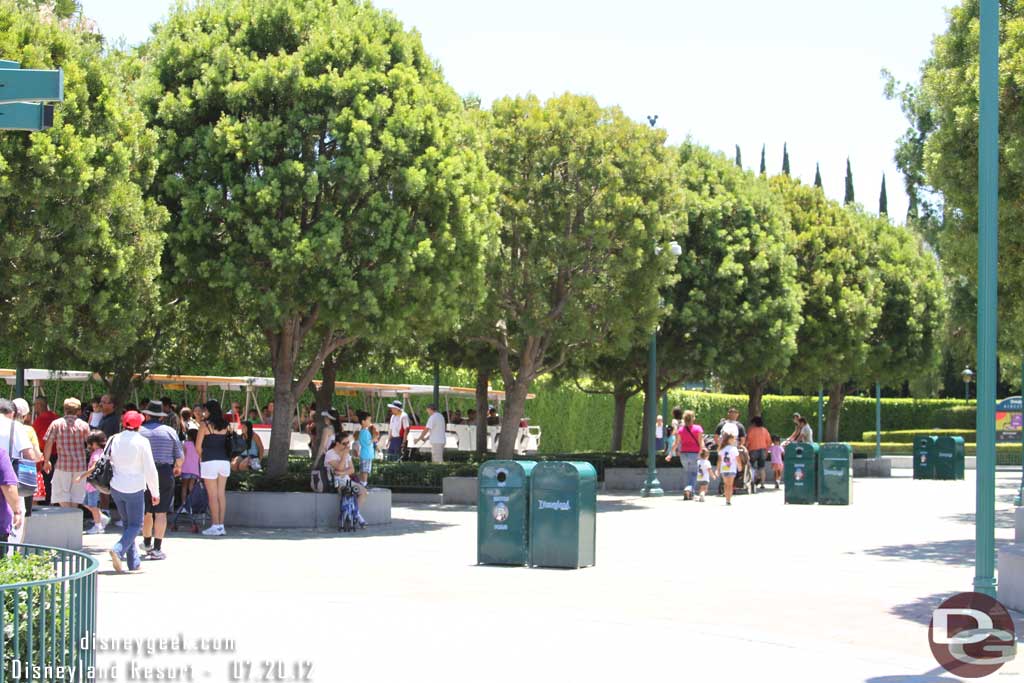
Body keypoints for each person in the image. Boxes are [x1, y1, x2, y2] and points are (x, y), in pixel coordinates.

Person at [107, 411, 159, 572]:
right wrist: (155, 491)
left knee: (128, 525)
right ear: (139, 425)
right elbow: (150, 468)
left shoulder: (113, 439)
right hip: (135, 487)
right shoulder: (142, 442)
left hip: (116, 486)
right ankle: (118, 549)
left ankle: (133, 562)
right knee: (136, 525)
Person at [138, 401, 183, 560]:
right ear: (161, 417)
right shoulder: (170, 431)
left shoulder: (140, 431)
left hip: (144, 472)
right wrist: (177, 467)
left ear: (147, 415)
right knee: (161, 511)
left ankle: (147, 543)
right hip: (164, 471)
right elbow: (179, 457)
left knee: (147, 510)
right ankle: (157, 548)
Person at [43, 398, 91, 510]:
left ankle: (68, 514)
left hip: (63, 465)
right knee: (77, 496)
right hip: (80, 465)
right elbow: (89, 444)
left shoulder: (56, 424)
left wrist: (46, 461)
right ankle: (73, 518)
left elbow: (49, 443)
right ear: (79, 411)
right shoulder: (84, 425)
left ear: (64, 410)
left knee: (60, 493)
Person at [196, 399, 231, 536]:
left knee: (212, 495)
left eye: (205, 410)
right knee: (221, 494)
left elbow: (198, 447)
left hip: (209, 461)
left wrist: (201, 457)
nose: (204, 413)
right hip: (224, 461)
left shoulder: (204, 425)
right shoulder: (226, 425)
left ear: (209, 411)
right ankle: (221, 526)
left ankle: (215, 525)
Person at [0, 399, 32, 544]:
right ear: (12, 413)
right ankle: (14, 555)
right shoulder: (16, 427)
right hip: (11, 476)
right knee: (16, 515)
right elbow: (29, 454)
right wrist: (17, 511)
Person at [324, 434, 367, 525]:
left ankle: (356, 513)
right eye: (344, 443)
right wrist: (344, 456)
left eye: (348, 443)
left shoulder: (346, 453)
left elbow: (352, 470)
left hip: (347, 480)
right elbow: (339, 467)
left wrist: (343, 473)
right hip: (335, 482)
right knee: (347, 491)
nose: (347, 445)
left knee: (363, 491)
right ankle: (354, 515)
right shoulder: (330, 454)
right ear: (337, 443)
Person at [11, 398, 43, 518]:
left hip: (6, 471)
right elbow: (35, 455)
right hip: (24, 474)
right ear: (25, 415)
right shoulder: (28, 430)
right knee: (23, 512)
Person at [76, 430, 111, 534]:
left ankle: (98, 525)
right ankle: (101, 517)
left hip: (93, 484)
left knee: (92, 505)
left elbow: (94, 467)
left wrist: (81, 476)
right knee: (86, 503)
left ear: (95, 443)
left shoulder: (97, 453)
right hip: (91, 484)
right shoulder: (101, 452)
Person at [667, 409, 705, 499]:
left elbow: (676, 443)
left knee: (688, 473)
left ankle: (690, 493)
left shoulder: (680, 430)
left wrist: (670, 454)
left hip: (683, 454)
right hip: (694, 454)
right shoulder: (698, 428)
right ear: (693, 418)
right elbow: (701, 442)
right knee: (694, 473)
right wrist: (701, 452)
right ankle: (689, 489)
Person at [32, 397, 58, 504]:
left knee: (45, 478)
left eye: (35, 405)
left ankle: (45, 500)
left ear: (39, 405)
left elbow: (32, 435)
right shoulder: (56, 416)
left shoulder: (40, 419)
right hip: (56, 453)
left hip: (44, 453)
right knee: (53, 478)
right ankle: (53, 500)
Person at [746, 416, 772, 492]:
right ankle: (762, 484)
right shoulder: (765, 430)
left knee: (752, 466)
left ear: (754, 423)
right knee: (762, 467)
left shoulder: (751, 430)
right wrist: (767, 451)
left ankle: (753, 481)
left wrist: (745, 449)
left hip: (753, 450)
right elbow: (769, 442)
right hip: (763, 450)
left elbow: (748, 442)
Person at [180, 427, 201, 504]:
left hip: (186, 468)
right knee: (191, 487)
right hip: (195, 470)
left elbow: (183, 456)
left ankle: (183, 504)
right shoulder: (198, 445)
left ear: (189, 436)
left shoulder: (185, 444)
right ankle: (191, 505)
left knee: (184, 487)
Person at [718, 433, 740, 505]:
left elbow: (719, 460)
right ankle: (728, 500)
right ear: (729, 440)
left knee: (725, 484)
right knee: (730, 485)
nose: (735, 440)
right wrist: (740, 466)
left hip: (724, 469)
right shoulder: (734, 449)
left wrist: (718, 469)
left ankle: (726, 498)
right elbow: (737, 459)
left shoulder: (722, 449)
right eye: (734, 439)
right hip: (731, 469)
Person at [356, 411, 376, 485]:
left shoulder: (364, 431)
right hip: (366, 455)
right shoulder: (364, 432)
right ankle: (364, 483)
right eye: (369, 420)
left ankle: (362, 482)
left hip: (366, 454)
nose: (370, 422)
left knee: (364, 470)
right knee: (365, 470)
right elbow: (368, 442)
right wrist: (374, 438)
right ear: (363, 421)